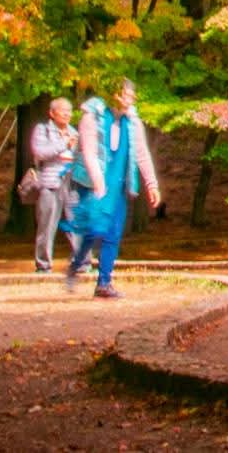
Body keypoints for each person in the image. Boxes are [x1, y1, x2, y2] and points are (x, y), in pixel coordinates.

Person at [62, 80, 160, 298]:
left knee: (113, 233)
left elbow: (142, 154)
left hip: (118, 186)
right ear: (115, 94)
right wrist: (98, 183)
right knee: (93, 231)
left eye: (133, 95)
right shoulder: (92, 116)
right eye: (128, 94)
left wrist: (151, 184)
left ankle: (104, 282)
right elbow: (88, 151)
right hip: (94, 184)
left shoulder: (133, 122)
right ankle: (76, 265)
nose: (132, 99)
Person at [29, 97, 78, 272]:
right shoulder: (43, 130)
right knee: (47, 224)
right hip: (50, 181)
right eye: (63, 110)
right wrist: (64, 143)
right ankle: (43, 264)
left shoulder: (74, 132)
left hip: (72, 182)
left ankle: (82, 262)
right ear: (52, 113)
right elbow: (40, 152)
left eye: (69, 111)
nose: (67, 114)